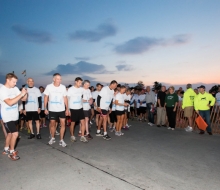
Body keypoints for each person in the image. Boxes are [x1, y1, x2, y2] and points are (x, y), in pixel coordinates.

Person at [0, 73, 27, 160]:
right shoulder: (2, 90)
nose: (15, 84)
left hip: (14, 115)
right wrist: (21, 94)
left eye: (16, 82)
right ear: (8, 80)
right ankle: (12, 152)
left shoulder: (15, 89)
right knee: (15, 134)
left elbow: (23, 99)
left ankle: (6, 149)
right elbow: (10, 102)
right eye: (14, 82)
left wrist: (25, 93)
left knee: (10, 134)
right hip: (7, 116)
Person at [44, 73, 68, 147]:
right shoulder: (49, 87)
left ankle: (61, 140)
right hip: (52, 109)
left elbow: (65, 98)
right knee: (52, 125)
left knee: (63, 124)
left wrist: (67, 108)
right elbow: (45, 97)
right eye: (58, 79)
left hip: (61, 109)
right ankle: (53, 138)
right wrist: (45, 108)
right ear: (53, 79)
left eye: (60, 79)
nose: (59, 80)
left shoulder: (63, 87)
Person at [67, 77, 88, 143]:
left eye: (81, 83)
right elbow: (68, 99)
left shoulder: (81, 89)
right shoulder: (70, 89)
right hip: (73, 109)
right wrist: (68, 110)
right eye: (79, 83)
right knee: (72, 123)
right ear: (75, 82)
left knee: (83, 122)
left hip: (80, 108)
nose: (80, 84)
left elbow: (82, 97)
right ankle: (72, 136)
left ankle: (82, 136)